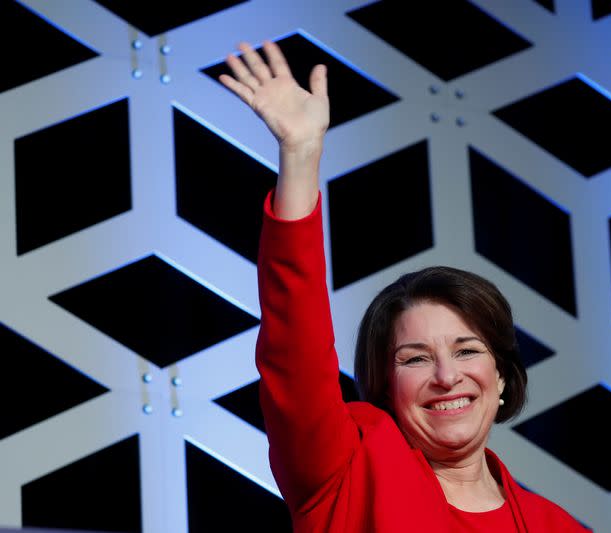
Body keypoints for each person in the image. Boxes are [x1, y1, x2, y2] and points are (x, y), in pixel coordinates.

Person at [220, 40, 588, 532]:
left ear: (501, 375)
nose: (446, 376)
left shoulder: (558, 527)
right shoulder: (346, 469)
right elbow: (295, 349)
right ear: (385, 387)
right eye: (414, 358)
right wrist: (302, 155)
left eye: (467, 350)